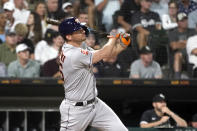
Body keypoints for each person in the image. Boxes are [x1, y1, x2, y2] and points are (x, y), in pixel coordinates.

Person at [58, 17, 130, 131]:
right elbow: (104, 52)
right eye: (78, 30)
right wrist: (112, 37)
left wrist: (121, 45)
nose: (82, 31)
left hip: (95, 105)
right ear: (68, 37)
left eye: (81, 28)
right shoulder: (73, 54)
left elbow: (104, 56)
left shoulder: (80, 45)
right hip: (76, 110)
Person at [168, 12, 196, 79]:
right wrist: (189, 42)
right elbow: (174, 46)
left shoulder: (193, 31)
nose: (185, 22)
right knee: (178, 55)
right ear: (177, 23)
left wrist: (180, 43)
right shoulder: (172, 33)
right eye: (182, 21)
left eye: (186, 20)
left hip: (192, 55)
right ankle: (177, 78)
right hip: (181, 56)